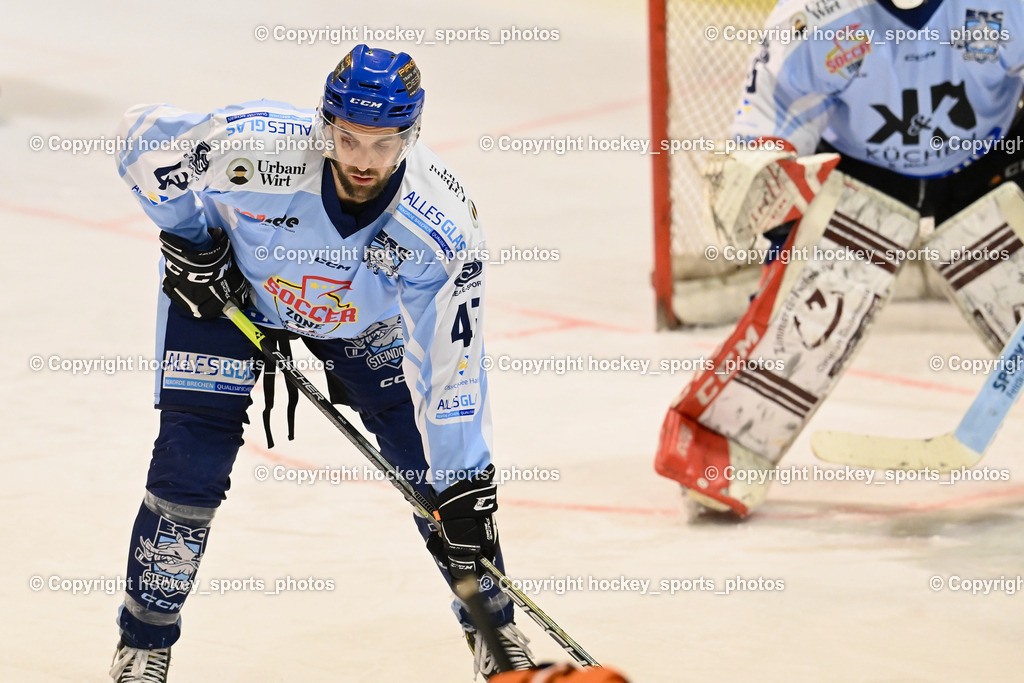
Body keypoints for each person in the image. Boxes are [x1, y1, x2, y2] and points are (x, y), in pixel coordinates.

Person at [110, 44, 534, 681]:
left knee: (439, 482)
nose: (364, 161)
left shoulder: (437, 227)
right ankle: (142, 645)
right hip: (228, 298)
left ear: (411, 139)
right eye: (349, 139)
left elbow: (452, 366)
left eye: (385, 145)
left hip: (360, 324)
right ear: (322, 124)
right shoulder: (252, 147)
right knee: (187, 464)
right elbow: (139, 140)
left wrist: (465, 481)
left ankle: (495, 635)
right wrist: (191, 237)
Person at [656, 0, 1024, 516]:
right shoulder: (817, 16)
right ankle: (724, 451)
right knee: (810, 304)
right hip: (861, 172)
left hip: (988, 164)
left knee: (1010, 266)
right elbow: (770, 114)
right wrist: (762, 169)